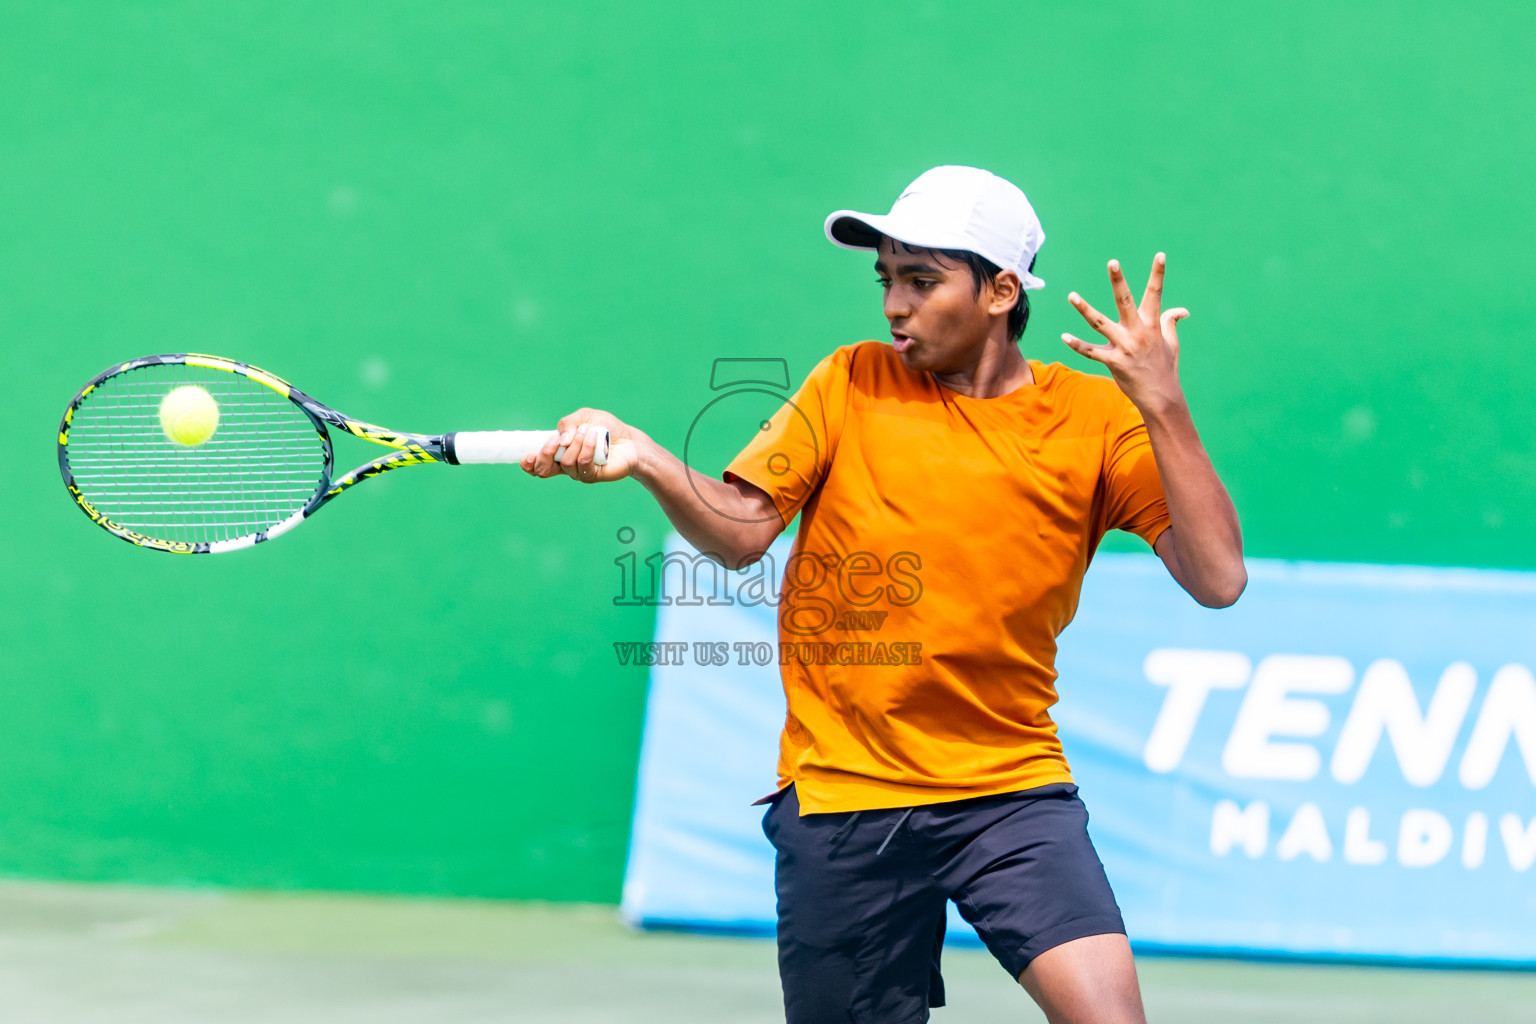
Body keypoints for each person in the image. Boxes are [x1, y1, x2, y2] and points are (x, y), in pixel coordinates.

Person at [522, 165, 1245, 1024]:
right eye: (888, 281)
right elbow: (744, 527)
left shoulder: (1093, 419)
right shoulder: (851, 380)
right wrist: (645, 456)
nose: (894, 305)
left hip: (1009, 795)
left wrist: (1163, 404)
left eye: (922, 280)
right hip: (845, 800)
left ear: (1001, 291)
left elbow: (1218, 579)